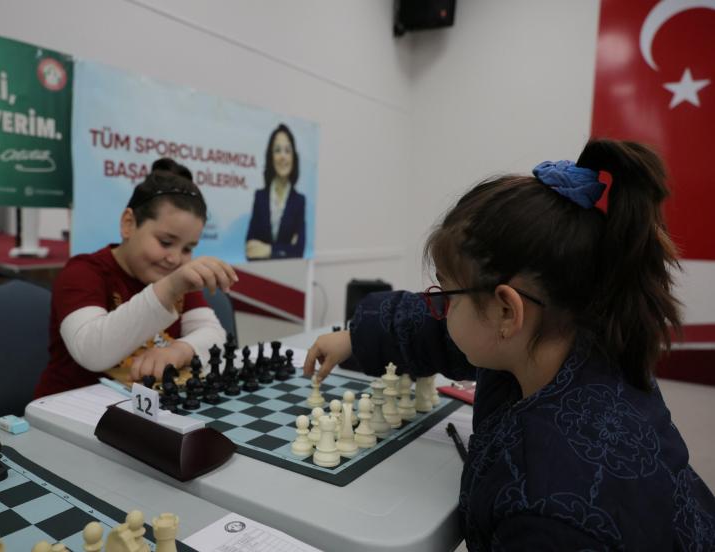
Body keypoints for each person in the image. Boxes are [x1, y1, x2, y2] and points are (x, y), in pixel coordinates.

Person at [303, 139, 715, 550]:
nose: (441, 309)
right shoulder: (576, 336)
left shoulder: (548, 515)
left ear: (507, 312)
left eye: (447, 295)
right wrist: (357, 336)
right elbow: (443, 331)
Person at [34, 160, 237, 398]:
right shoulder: (82, 272)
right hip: (70, 407)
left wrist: (180, 350)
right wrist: (169, 288)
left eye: (187, 248)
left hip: (140, 407)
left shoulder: (173, 277)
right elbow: (92, 352)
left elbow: (215, 335)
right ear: (128, 224)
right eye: (166, 242)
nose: (175, 259)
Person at [245, 123, 306, 260]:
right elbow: (249, 248)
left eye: (287, 150)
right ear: (270, 156)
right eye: (277, 150)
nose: (283, 156)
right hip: (258, 271)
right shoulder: (260, 197)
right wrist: (286, 248)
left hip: (290, 272)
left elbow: (298, 250)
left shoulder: (299, 201)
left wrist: (268, 249)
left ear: (293, 157)